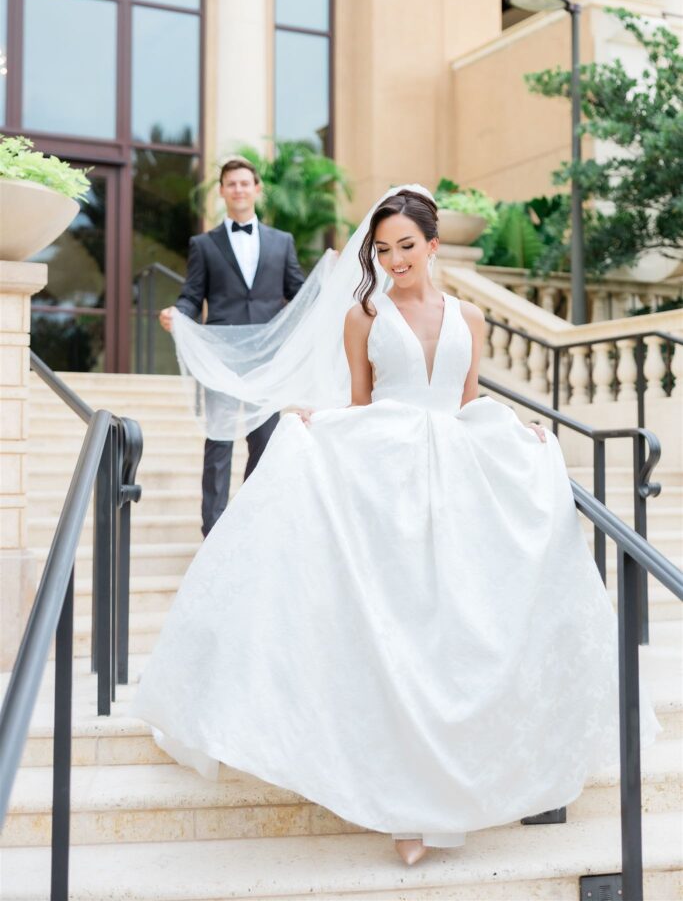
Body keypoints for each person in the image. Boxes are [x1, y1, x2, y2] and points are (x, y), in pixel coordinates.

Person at [131, 185, 660, 868]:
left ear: (432, 246)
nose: (394, 259)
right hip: (387, 479)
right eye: (382, 249)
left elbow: (467, 401)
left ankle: (444, 796)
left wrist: (514, 430)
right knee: (397, 638)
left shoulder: (469, 316)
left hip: (457, 482)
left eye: (406, 246)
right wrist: (319, 427)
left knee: (453, 634)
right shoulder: (363, 314)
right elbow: (359, 402)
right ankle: (405, 811)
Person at [159, 156, 305, 537]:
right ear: (222, 192)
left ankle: (251, 526)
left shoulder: (282, 242)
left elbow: (300, 293)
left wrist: (330, 280)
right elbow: (192, 295)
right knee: (219, 443)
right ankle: (214, 531)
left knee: (264, 444)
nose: (238, 189)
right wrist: (179, 314)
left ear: (257, 189)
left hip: (266, 360)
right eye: (231, 184)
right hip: (220, 358)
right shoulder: (203, 245)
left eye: (245, 183)